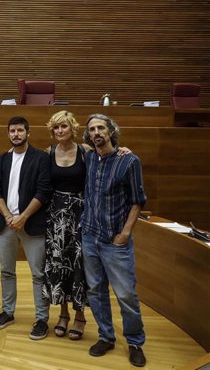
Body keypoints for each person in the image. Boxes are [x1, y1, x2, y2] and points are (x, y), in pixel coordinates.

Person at [80, 114, 147, 367]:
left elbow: (138, 201)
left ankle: (135, 342)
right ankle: (106, 336)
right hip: (89, 236)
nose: (97, 132)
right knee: (96, 291)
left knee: (126, 294)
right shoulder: (88, 157)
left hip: (115, 241)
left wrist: (125, 234)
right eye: (92, 129)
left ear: (111, 132)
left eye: (101, 128)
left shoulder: (129, 161)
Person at [0, 116, 52, 340]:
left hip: (32, 223)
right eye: (12, 131)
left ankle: (42, 319)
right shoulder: (3, 160)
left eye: (19, 131)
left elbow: (43, 191)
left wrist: (23, 217)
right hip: (7, 224)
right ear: (8, 134)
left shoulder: (41, 158)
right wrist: (8, 216)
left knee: (38, 274)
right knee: (6, 271)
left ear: (28, 132)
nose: (16, 134)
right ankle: (8, 312)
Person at [42, 111, 89, 340]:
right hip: (56, 217)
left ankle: (79, 315)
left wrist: (123, 149)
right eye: (56, 128)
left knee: (78, 264)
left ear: (72, 128)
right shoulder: (48, 153)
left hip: (80, 215)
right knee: (59, 265)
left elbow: (108, 161)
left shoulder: (85, 151)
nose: (60, 131)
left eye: (64, 127)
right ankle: (62, 314)